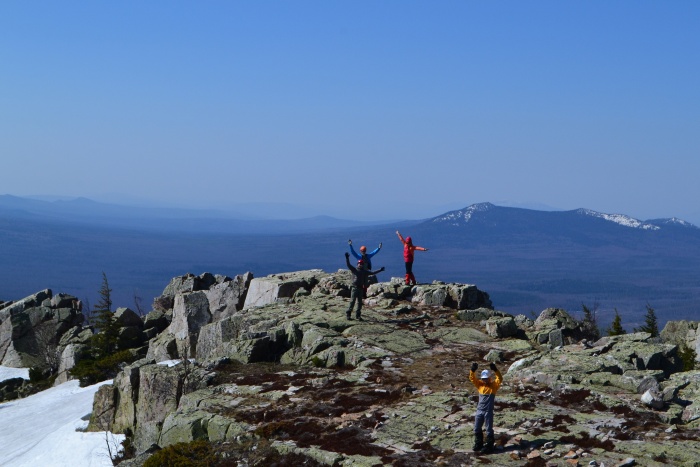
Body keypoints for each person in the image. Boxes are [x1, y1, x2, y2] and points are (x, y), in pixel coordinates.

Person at [469, 362, 503, 453]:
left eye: (486, 379)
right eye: (483, 379)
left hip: (488, 411)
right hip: (479, 410)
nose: (484, 380)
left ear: (489, 378)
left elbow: (500, 378)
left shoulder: (494, 386)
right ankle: (479, 443)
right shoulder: (480, 385)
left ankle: (489, 446)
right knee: (476, 428)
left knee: (488, 429)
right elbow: (472, 378)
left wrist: (495, 369)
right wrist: (472, 370)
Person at [345, 252, 384, 321]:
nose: (360, 264)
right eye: (359, 263)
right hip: (354, 288)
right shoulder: (354, 270)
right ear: (357, 264)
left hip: (360, 288)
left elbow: (372, 273)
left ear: (363, 265)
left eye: (361, 264)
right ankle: (348, 314)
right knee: (352, 301)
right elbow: (348, 265)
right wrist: (347, 258)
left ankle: (358, 315)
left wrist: (380, 270)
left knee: (360, 303)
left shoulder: (364, 272)